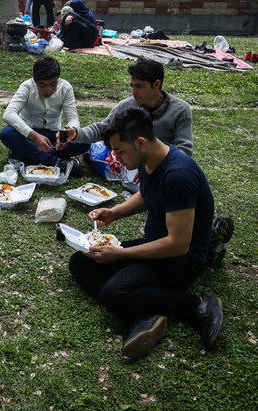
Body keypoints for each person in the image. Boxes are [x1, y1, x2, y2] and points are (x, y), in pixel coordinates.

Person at [68, 108, 224, 359]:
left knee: (113, 292)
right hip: (154, 245)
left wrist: (121, 254)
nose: (116, 157)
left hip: (181, 260)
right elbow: (149, 195)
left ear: (140, 142)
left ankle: (197, 305)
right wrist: (115, 212)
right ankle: (143, 314)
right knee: (81, 262)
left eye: (119, 150)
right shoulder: (151, 160)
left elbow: (178, 245)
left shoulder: (178, 176)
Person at [61, 57, 194, 156]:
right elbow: (103, 129)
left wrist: (158, 166)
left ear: (156, 84)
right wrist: (76, 133)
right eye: (132, 86)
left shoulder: (180, 110)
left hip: (164, 164)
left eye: (139, 86)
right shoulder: (128, 105)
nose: (133, 92)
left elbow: (184, 150)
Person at [0, 56, 90, 169]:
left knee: (85, 140)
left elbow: (73, 118)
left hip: (54, 137)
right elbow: (9, 114)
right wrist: (35, 137)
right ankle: (55, 161)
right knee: (7, 133)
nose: (49, 90)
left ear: (58, 79)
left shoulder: (65, 87)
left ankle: (28, 154)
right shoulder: (27, 87)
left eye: (53, 84)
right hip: (29, 135)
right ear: (34, 80)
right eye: (43, 85)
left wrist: (67, 134)